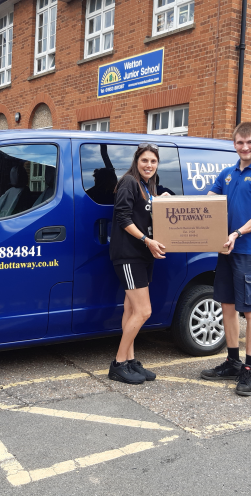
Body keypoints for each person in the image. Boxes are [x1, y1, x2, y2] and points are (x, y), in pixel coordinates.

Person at [201, 122, 251, 396]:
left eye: (250, 142)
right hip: (226, 250)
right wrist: (170, 202)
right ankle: (232, 361)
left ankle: (249, 369)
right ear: (234, 144)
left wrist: (237, 232)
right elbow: (208, 202)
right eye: (240, 142)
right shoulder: (227, 174)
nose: (245, 147)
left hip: (248, 251)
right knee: (227, 305)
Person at [108, 143, 166, 384]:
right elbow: (122, 216)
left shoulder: (146, 186)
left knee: (131, 309)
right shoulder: (129, 182)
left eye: (153, 161)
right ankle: (119, 363)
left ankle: (131, 361)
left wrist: (159, 202)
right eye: (145, 160)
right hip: (129, 255)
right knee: (144, 311)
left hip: (142, 255)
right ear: (137, 161)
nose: (149, 165)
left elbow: (144, 212)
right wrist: (147, 240)